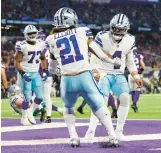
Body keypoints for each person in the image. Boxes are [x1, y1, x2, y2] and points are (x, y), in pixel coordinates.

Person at [46, 7, 122, 148]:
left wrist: (59, 70)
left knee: (68, 107)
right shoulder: (82, 31)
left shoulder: (50, 39)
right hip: (84, 76)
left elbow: (51, 68)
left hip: (67, 79)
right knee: (99, 105)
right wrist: (113, 61)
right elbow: (100, 53)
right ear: (72, 19)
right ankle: (112, 136)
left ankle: (74, 138)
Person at [85, 13, 143, 141]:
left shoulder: (130, 39)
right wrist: (94, 71)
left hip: (118, 74)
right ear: (111, 27)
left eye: (121, 29)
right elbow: (94, 55)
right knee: (101, 101)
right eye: (115, 28)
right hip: (103, 72)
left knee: (124, 98)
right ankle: (91, 131)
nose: (117, 31)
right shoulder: (102, 36)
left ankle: (119, 131)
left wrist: (136, 76)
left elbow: (130, 61)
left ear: (126, 29)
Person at [14, 25, 48, 126]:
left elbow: (42, 58)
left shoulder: (41, 44)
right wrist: (23, 73)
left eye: (34, 33)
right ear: (25, 35)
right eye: (30, 34)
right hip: (25, 72)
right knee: (26, 98)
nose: (32, 35)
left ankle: (30, 112)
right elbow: (17, 62)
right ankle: (23, 118)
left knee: (40, 96)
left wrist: (45, 70)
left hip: (36, 72)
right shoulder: (22, 45)